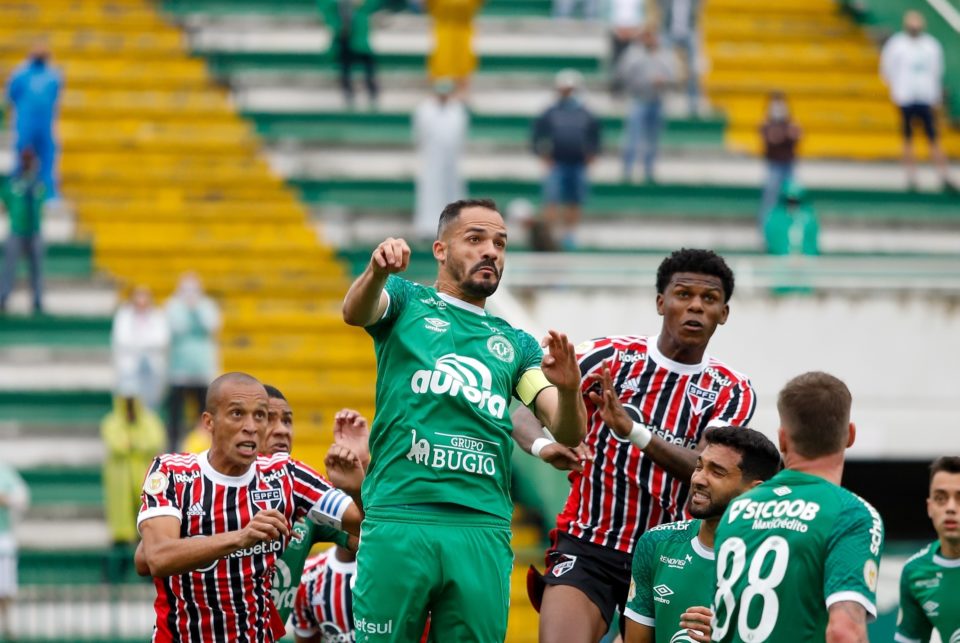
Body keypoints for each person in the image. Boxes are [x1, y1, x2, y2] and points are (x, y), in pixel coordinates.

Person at [341, 198, 587, 642]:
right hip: (400, 517)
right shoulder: (406, 301)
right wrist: (378, 270)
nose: (490, 251)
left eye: (500, 243)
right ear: (440, 249)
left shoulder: (516, 345)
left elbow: (565, 428)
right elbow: (355, 312)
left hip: (482, 525)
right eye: (475, 239)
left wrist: (569, 390)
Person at [518, 248, 757, 643]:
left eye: (709, 299)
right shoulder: (606, 355)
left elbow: (707, 467)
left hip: (672, 553)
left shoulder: (731, 388)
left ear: (724, 313)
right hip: (590, 542)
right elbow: (523, 409)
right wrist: (545, 445)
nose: (695, 306)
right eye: (683, 295)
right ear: (661, 302)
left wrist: (633, 431)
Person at [137, 372, 363, 643]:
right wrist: (241, 537)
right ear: (209, 422)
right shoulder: (172, 472)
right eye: (237, 414)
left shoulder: (287, 475)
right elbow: (156, 557)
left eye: (260, 416)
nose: (251, 426)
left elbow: (364, 526)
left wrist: (357, 487)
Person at [712, 372, 885, 642]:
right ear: (850, 435)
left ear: (782, 439)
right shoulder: (851, 514)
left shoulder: (737, 509)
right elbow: (844, 630)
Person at [623, 426, 780, 643]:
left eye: (717, 472)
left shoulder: (781, 559)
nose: (698, 479)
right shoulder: (656, 543)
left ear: (755, 491)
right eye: (699, 466)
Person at [269, 393, 365, 626]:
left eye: (288, 420)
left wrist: (363, 468)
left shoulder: (304, 496)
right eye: (269, 418)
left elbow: (373, 537)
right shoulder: (201, 487)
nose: (282, 430)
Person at [880, 11, 954, 191]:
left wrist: (935, 96)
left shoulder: (930, 45)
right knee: (908, 138)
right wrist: (895, 90)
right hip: (905, 96)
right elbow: (887, 67)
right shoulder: (897, 44)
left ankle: (944, 175)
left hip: (925, 97)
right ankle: (911, 177)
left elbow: (937, 71)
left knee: (933, 137)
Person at [532, 70, 601, 250]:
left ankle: (569, 235)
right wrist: (542, 155)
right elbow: (536, 136)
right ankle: (550, 236)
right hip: (557, 163)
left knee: (574, 201)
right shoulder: (550, 112)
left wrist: (592, 154)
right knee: (552, 200)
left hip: (578, 164)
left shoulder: (586, 113)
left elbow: (595, 136)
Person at [895, 456, 960, 643]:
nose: (950, 508)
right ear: (930, 507)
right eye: (941, 498)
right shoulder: (916, 572)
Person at [101, 396, 165, 580]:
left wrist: (131, 444)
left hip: (145, 481)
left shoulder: (149, 421)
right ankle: (114, 576)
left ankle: (151, 577)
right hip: (119, 484)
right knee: (121, 534)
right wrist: (136, 445)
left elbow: (153, 441)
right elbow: (117, 444)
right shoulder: (112, 422)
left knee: (147, 530)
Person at [165, 273, 221, 451]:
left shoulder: (207, 306)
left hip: (202, 369)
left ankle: (205, 444)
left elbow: (211, 326)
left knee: (202, 411)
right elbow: (175, 328)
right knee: (176, 413)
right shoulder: (172, 305)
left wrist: (195, 310)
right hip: (178, 369)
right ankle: (174, 446)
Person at [617, 26, 679, 184]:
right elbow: (624, 74)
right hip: (639, 99)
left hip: (657, 100)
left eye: (652, 36)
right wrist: (645, 80)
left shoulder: (666, 55)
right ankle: (627, 171)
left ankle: (649, 171)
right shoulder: (633, 54)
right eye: (646, 36)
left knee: (653, 139)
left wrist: (663, 81)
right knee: (632, 138)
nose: (649, 40)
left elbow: (675, 76)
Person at [413, 79, 469, 242]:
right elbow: (420, 135)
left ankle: (453, 226)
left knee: (453, 193)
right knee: (430, 192)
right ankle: (428, 227)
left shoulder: (457, 109)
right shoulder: (424, 109)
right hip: (431, 159)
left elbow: (459, 136)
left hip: (452, 160)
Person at [5, 43, 62, 198]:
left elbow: (11, 96)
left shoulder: (51, 76)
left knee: (46, 156)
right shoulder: (23, 74)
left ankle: (49, 193)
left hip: (38, 123)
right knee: (21, 154)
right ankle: (16, 190)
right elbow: (11, 96)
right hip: (28, 122)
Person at [0, 148, 45, 314]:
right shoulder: (13, 184)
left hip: (34, 230)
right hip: (17, 230)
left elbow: (41, 203)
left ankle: (37, 300)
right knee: (9, 267)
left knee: (36, 269)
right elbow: (3, 203)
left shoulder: (37, 183)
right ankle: (3, 297)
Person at [112, 286, 170, 411]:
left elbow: (161, 340)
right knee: (129, 402)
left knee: (150, 405)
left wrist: (139, 343)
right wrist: (145, 344)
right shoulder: (124, 316)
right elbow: (122, 340)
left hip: (152, 368)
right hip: (130, 367)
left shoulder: (158, 315)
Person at [320, 0, 379, 109]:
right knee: (345, 69)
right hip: (343, 39)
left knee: (368, 68)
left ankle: (372, 94)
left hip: (359, 38)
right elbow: (326, 10)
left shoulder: (362, 8)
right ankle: (349, 95)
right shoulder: (334, 6)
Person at [758, 92, 801, 228]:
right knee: (770, 200)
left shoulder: (791, 123)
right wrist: (785, 134)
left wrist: (784, 134)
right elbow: (772, 138)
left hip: (789, 165)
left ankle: (793, 228)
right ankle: (765, 229)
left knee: (793, 198)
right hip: (774, 166)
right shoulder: (765, 124)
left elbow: (796, 135)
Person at [426, 0, 484, 95]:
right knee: (441, 65)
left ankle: (459, 94)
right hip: (444, 28)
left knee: (462, 67)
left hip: (462, 29)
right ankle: (440, 95)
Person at [0, 460, 28, 642]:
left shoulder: (5, 472)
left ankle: (7, 624)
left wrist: (6, 499)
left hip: (4, 537)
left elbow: (22, 498)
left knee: (6, 586)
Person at [657, 0, 701, 116]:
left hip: (689, 31)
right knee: (663, 66)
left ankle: (693, 101)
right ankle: (664, 100)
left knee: (694, 67)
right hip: (668, 31)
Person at [607, 0, 644, 94]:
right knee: (617, 62)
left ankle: (629, 88)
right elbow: (609, 13)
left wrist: (634, 32)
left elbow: (641, 13)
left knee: (632, 61)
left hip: (633, 32)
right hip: (617, 32)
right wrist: (618, 31)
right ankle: (616, 89)